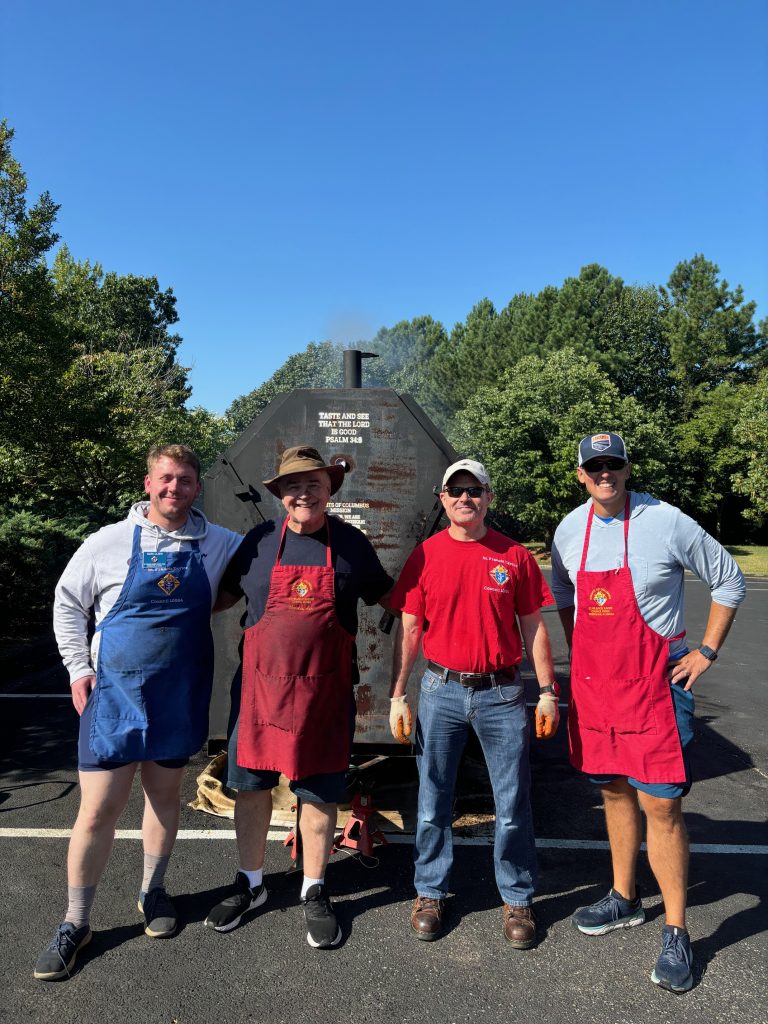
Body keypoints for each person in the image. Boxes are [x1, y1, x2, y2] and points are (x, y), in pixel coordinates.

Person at [34, 445, 243, 981]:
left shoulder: (220, 543)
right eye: (166, 479)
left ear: (198, 487)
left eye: (186, 480)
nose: (175, 488)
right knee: (97, 811)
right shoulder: (106, 542)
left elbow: (267, 562)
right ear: (148, 482)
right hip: (114, 699)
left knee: (165, 797)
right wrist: (78, 668)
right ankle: (75, 922)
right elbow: (67, 602)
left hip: (178, 696)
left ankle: (153, 893)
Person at [551, 432, 746, 993]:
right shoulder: (569, 529)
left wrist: (705, 652)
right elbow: (564, 594)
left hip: (655, 684)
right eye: (595, 467)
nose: (604, 474)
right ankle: (624, 896)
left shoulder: (666, 520)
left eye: (614, 464)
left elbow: (729, 578)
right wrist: (583, 652)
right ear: (581, 474)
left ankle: (678, 930)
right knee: (612, 792)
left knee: (661, 807)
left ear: (627, 469)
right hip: (598, 690)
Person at [205, 445, 393, 949]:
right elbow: (218, 598)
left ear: (330, 489)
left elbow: (395, 598)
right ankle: (250, 882)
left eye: (313, 483)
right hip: (259, 695)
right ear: (280, 495)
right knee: (251, 790)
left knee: (318, 795)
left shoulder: (352, 545)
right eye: (293, 485)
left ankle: (314, 888)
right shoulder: (259, 543)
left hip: (324, 698)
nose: (303, 493)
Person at [388, 459, 560, 947]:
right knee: (432, 800)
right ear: (442, 499)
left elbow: (534, 626)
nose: (465, 498)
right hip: (440, 691)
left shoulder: (515, 556)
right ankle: (430, 891)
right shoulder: (425, 556)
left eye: (474, 490)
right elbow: (410, 629)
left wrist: (547, 692)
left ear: (489, 497)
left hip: (503, 694)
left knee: (511, 805)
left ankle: (518, 899)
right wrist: (399, 694)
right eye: (455, 490)